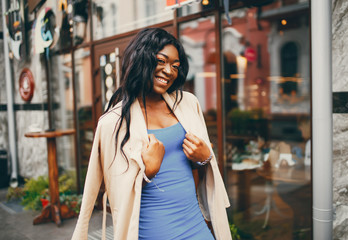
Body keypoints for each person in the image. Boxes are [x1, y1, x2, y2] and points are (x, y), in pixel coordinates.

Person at [71, 28, 231, 240]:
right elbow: (115, 191)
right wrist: (148, 171)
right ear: (141, 59)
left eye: (175, 65)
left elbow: (195, 170)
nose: (169, 71)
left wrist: (206, 158)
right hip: (153, 231)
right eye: (161, 61)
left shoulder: (187, 104)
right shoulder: (113, 123)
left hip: (195, 225)